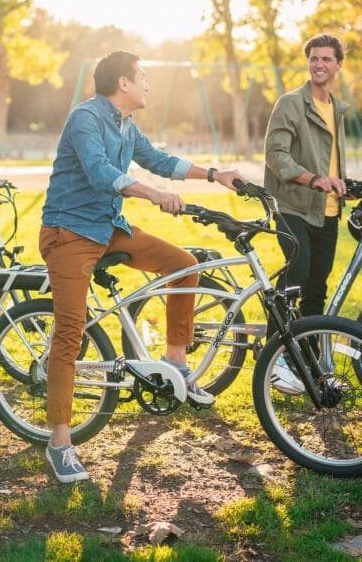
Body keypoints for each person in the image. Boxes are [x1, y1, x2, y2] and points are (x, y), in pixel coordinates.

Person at [38, 51, 244, 483]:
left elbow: (161, 160)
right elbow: (99, 172)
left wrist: (214, 174)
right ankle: (59, 442)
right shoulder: (86, 118)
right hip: (69, 233)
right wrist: (154, 196)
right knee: (71, 331)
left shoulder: (126, 125)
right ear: (123, 83)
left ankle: (175, 361)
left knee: (183, 265)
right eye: (143, 77)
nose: (148, 84)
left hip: (108, 227)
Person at [263, 33, 349, 393]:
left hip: (327, 211)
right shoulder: (291, 103)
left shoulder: (337, 108)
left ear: (338, 65)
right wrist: (314, 179)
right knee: (297, 272)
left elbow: (332, 160)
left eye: (327, 59)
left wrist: (346, 185)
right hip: (292, 205)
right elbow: (276, 154)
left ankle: (309, 366)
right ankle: (271, 359)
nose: (319, 65)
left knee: (316, 289)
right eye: (314, 58)